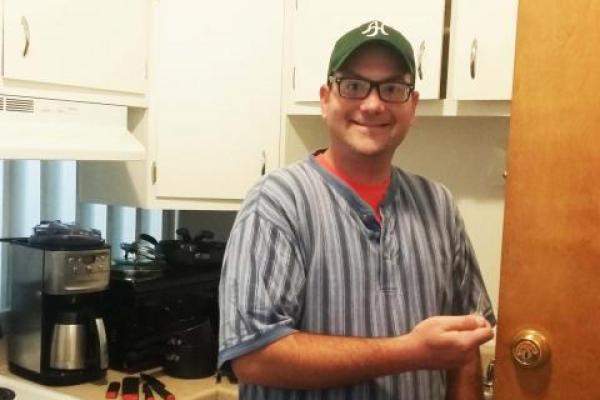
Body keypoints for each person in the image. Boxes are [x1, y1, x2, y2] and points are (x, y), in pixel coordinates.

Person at [218, 20, 496, 400]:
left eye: (393, 88)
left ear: (412, 106)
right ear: (325, 98)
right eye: (353, 85)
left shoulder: (439, 206)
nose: (372, 103)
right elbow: (254, 355)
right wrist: (409, 351)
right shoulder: (277, 203)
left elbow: (465, 347)